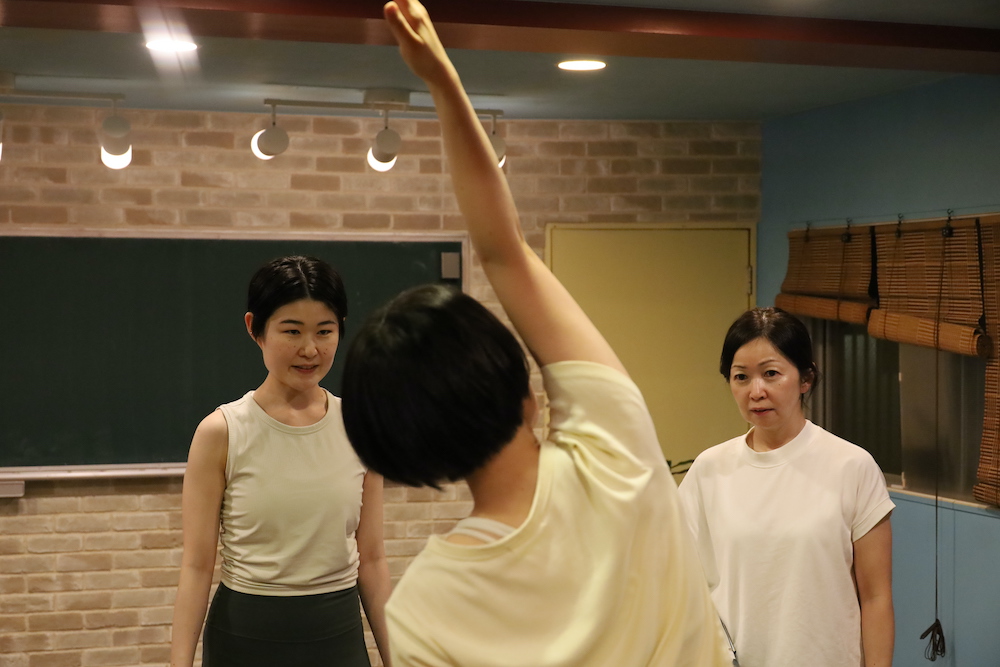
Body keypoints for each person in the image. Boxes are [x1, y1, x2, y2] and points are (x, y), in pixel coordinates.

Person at [339, 2, 730, 666]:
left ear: (410, 459)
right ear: (526, 391)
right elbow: (505, 254)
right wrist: (442, 81)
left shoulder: (422, 611)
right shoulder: (616, 453)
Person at [170, 255, 392, 667]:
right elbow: (197, 565)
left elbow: (373, 560)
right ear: (254, 328)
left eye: (324, 331)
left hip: (337, 640)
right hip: (244, 640)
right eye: (292, 331)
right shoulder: (221, 432)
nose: (309, 349)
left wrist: (401, 656)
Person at [678, 307, 895, 667]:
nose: (756, 391)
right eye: (741, 377)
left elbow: (876, 598)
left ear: (805, 378)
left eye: (771, 374)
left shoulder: (852, 466)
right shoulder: (709, 469)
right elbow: (681, 583)